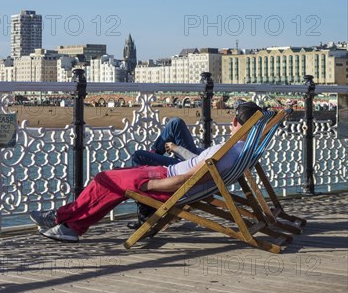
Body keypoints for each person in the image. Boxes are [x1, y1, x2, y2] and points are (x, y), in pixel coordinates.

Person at [30, 101, 261, 243]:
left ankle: (62, 218)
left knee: (105, 179)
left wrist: (151, 186)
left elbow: (189, 178)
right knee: (114, 182)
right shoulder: (241, 150)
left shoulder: (227, 150)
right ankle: (71, 225)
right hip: (164, 173)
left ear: (234, 121)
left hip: (164, 179)